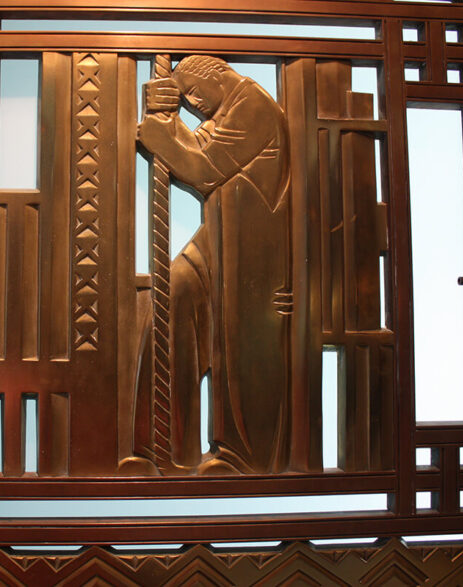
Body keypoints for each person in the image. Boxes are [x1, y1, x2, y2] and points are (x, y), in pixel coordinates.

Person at [137, 56, 292, 474]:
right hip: (218, 235)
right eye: (185, 97)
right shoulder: (227, 109)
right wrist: (165, 119)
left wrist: (158, 131)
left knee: (241, 350)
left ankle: (241, 456)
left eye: (193, 93)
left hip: (251, 246)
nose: (193, 102)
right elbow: (194, 151)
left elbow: (202, 169)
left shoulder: (253, 106)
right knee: (173, 298)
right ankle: (164, 445)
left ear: (219, 75)